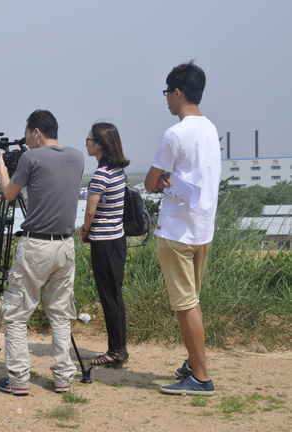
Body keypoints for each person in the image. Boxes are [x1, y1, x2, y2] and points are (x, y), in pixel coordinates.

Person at [0, 109, 84, 395]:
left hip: (36, 247)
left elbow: (10, 193)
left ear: (35, 133)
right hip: (65, 247)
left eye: (27, 135)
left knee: (17, 314)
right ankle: (64, 378)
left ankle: (19, 380)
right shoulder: (78, 156)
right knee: (59, 314)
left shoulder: (31, 157)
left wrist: (3, 169)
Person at [144, 62, 221, 396]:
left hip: (176, 231)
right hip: (203, 228)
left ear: (177, 93)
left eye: (167, 93)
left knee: (185, 303)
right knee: (193, 300)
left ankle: (201, 377)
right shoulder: (209, 129)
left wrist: (162, 181)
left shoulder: (175, 134)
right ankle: (193, 362)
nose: (166, 100)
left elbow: (150, 181)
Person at [79, 122, 130, 365]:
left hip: (104, 243)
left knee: (109, 297)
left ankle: (115, 351)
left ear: (100, 144)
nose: (87, 144)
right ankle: (120, 347)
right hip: (118, 240)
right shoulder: (118, 171)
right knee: (115, 295)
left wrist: (84, 231)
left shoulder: (101, 174)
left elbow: (90, 212)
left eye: (89, 140)